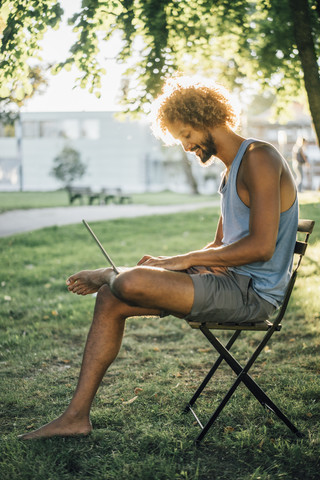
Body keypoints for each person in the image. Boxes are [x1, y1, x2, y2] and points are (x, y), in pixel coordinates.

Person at [19, 76, 298, 440]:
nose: (185, 146)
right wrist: (176, 262)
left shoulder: (259, 157)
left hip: (252, 296)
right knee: (112, 298)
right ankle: (75, 417)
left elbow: (261, 247)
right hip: (229, 283)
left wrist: (178, 263)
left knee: (127, 281)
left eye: (185, 135)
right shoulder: (231, 172)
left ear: (206, 117)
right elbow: (221, 247)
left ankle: (109, 272)